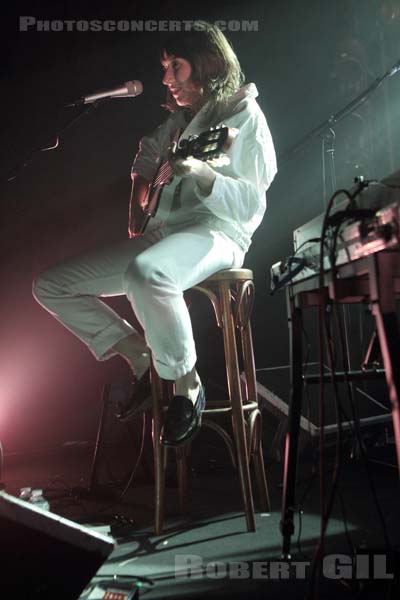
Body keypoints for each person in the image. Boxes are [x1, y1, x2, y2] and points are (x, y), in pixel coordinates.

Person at [33, 21, 277, 447]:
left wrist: (203, 173)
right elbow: (147, 154)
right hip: (162, 234)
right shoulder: (183, 121)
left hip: (217, 233)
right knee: (51, 285)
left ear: (209, 63)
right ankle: (140, 356)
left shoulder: (245, 116)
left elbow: (252, 208)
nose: (166, 78)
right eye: (165, 67)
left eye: (175, 66)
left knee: (148, 275)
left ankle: (187, 385)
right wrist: (138, 201)